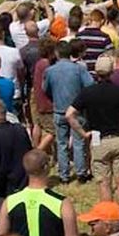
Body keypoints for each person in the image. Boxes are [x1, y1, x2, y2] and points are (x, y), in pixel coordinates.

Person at [66, 55, 119, 224]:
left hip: (99, 139)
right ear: (112, 71)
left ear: (95, 73)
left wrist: (83, 133)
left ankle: (109, 219)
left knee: (104, 183)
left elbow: (69, 114)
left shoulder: (88, 93)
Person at [43, 40, 94, 183]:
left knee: (61, 143)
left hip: (59, 110)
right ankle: (81, 173)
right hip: (77, 111)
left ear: (57, 54)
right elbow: (90, 85)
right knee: (79, 143)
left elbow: (45, 89)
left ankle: (64, 175)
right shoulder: (79, 69)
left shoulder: (50, 70)